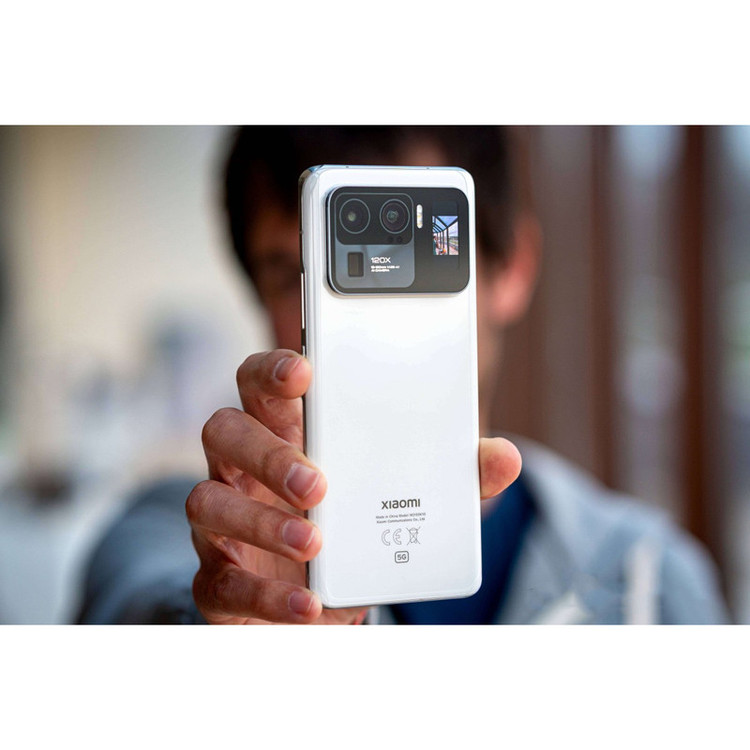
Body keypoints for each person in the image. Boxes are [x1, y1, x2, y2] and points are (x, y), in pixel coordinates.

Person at [76, 126, 729, 625]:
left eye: (406, 262)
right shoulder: (173, 534)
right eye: (294, 277)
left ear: (512, 268)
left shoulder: (652, 579)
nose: (355, 320)